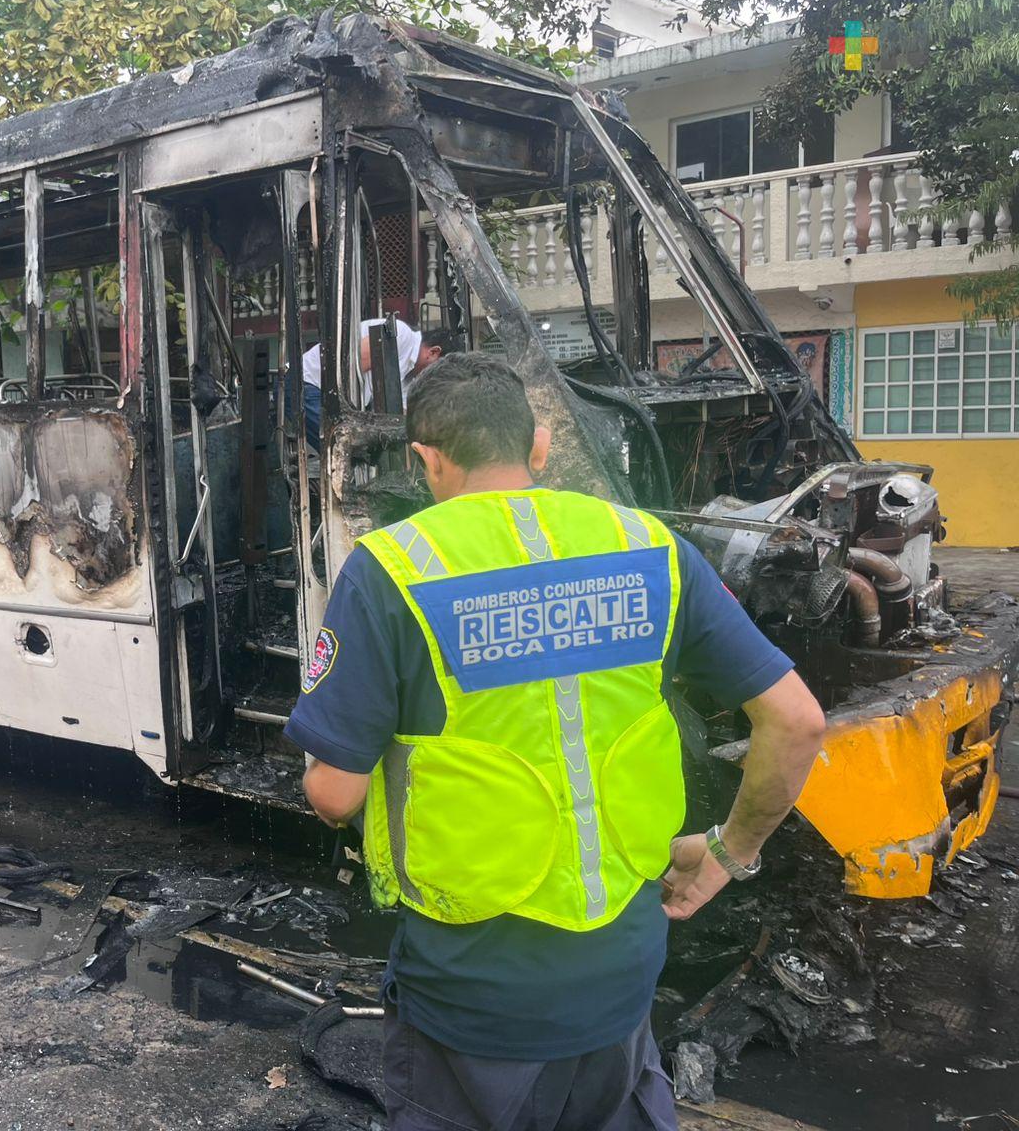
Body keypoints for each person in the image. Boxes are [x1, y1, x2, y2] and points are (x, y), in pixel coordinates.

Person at [285, 353, 827, 1131]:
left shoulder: (391, 569)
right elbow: (798, 721)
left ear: (426, 460)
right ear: (538, 445)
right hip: (621, 984)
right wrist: (729, 853)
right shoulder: (646, 544)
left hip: (469, 998)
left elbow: (336, 795)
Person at [299, 316, 450, 450]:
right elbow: (350, 368)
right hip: (310, 383)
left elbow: (399, 417)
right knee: (341, 449)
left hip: (332, 397)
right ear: (433, 352)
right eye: (438, 371)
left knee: (360, 452)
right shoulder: (400, 334)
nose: (433, 378)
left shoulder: (410, 377)